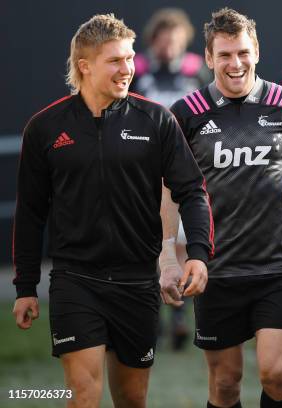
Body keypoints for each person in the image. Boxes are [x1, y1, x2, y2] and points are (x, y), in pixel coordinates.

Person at [12, 14, 212, 408]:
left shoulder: (156, 120)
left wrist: (200, 255)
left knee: (131, 400)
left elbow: (192, 190)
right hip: (75, 280)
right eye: (116, 61)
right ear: (85, 66)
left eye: (130, 58)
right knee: (84, 397)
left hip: (137, 282)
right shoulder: (45, 128)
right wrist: (25, 287)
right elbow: (31, 212)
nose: (128, 69)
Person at [159, 8, 282, 408]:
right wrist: (168, 254)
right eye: (224, 55)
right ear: (208, 58)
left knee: (276, 374)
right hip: (214, 271)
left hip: (276, 269)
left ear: (256, 51)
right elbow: (169, 190)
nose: (235, 63)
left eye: (242, 52)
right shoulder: (186, 115)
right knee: (225, 383)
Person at [131, 7, 213, 351]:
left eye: (175, 40)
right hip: (147, 168)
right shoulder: (139, 73)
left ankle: (179, 316)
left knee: (180, 240)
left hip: (185, 167)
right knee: (153, 240)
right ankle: (156, 313)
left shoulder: (197, 72)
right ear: (153, 41)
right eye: (163, 40)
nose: (169, 46)